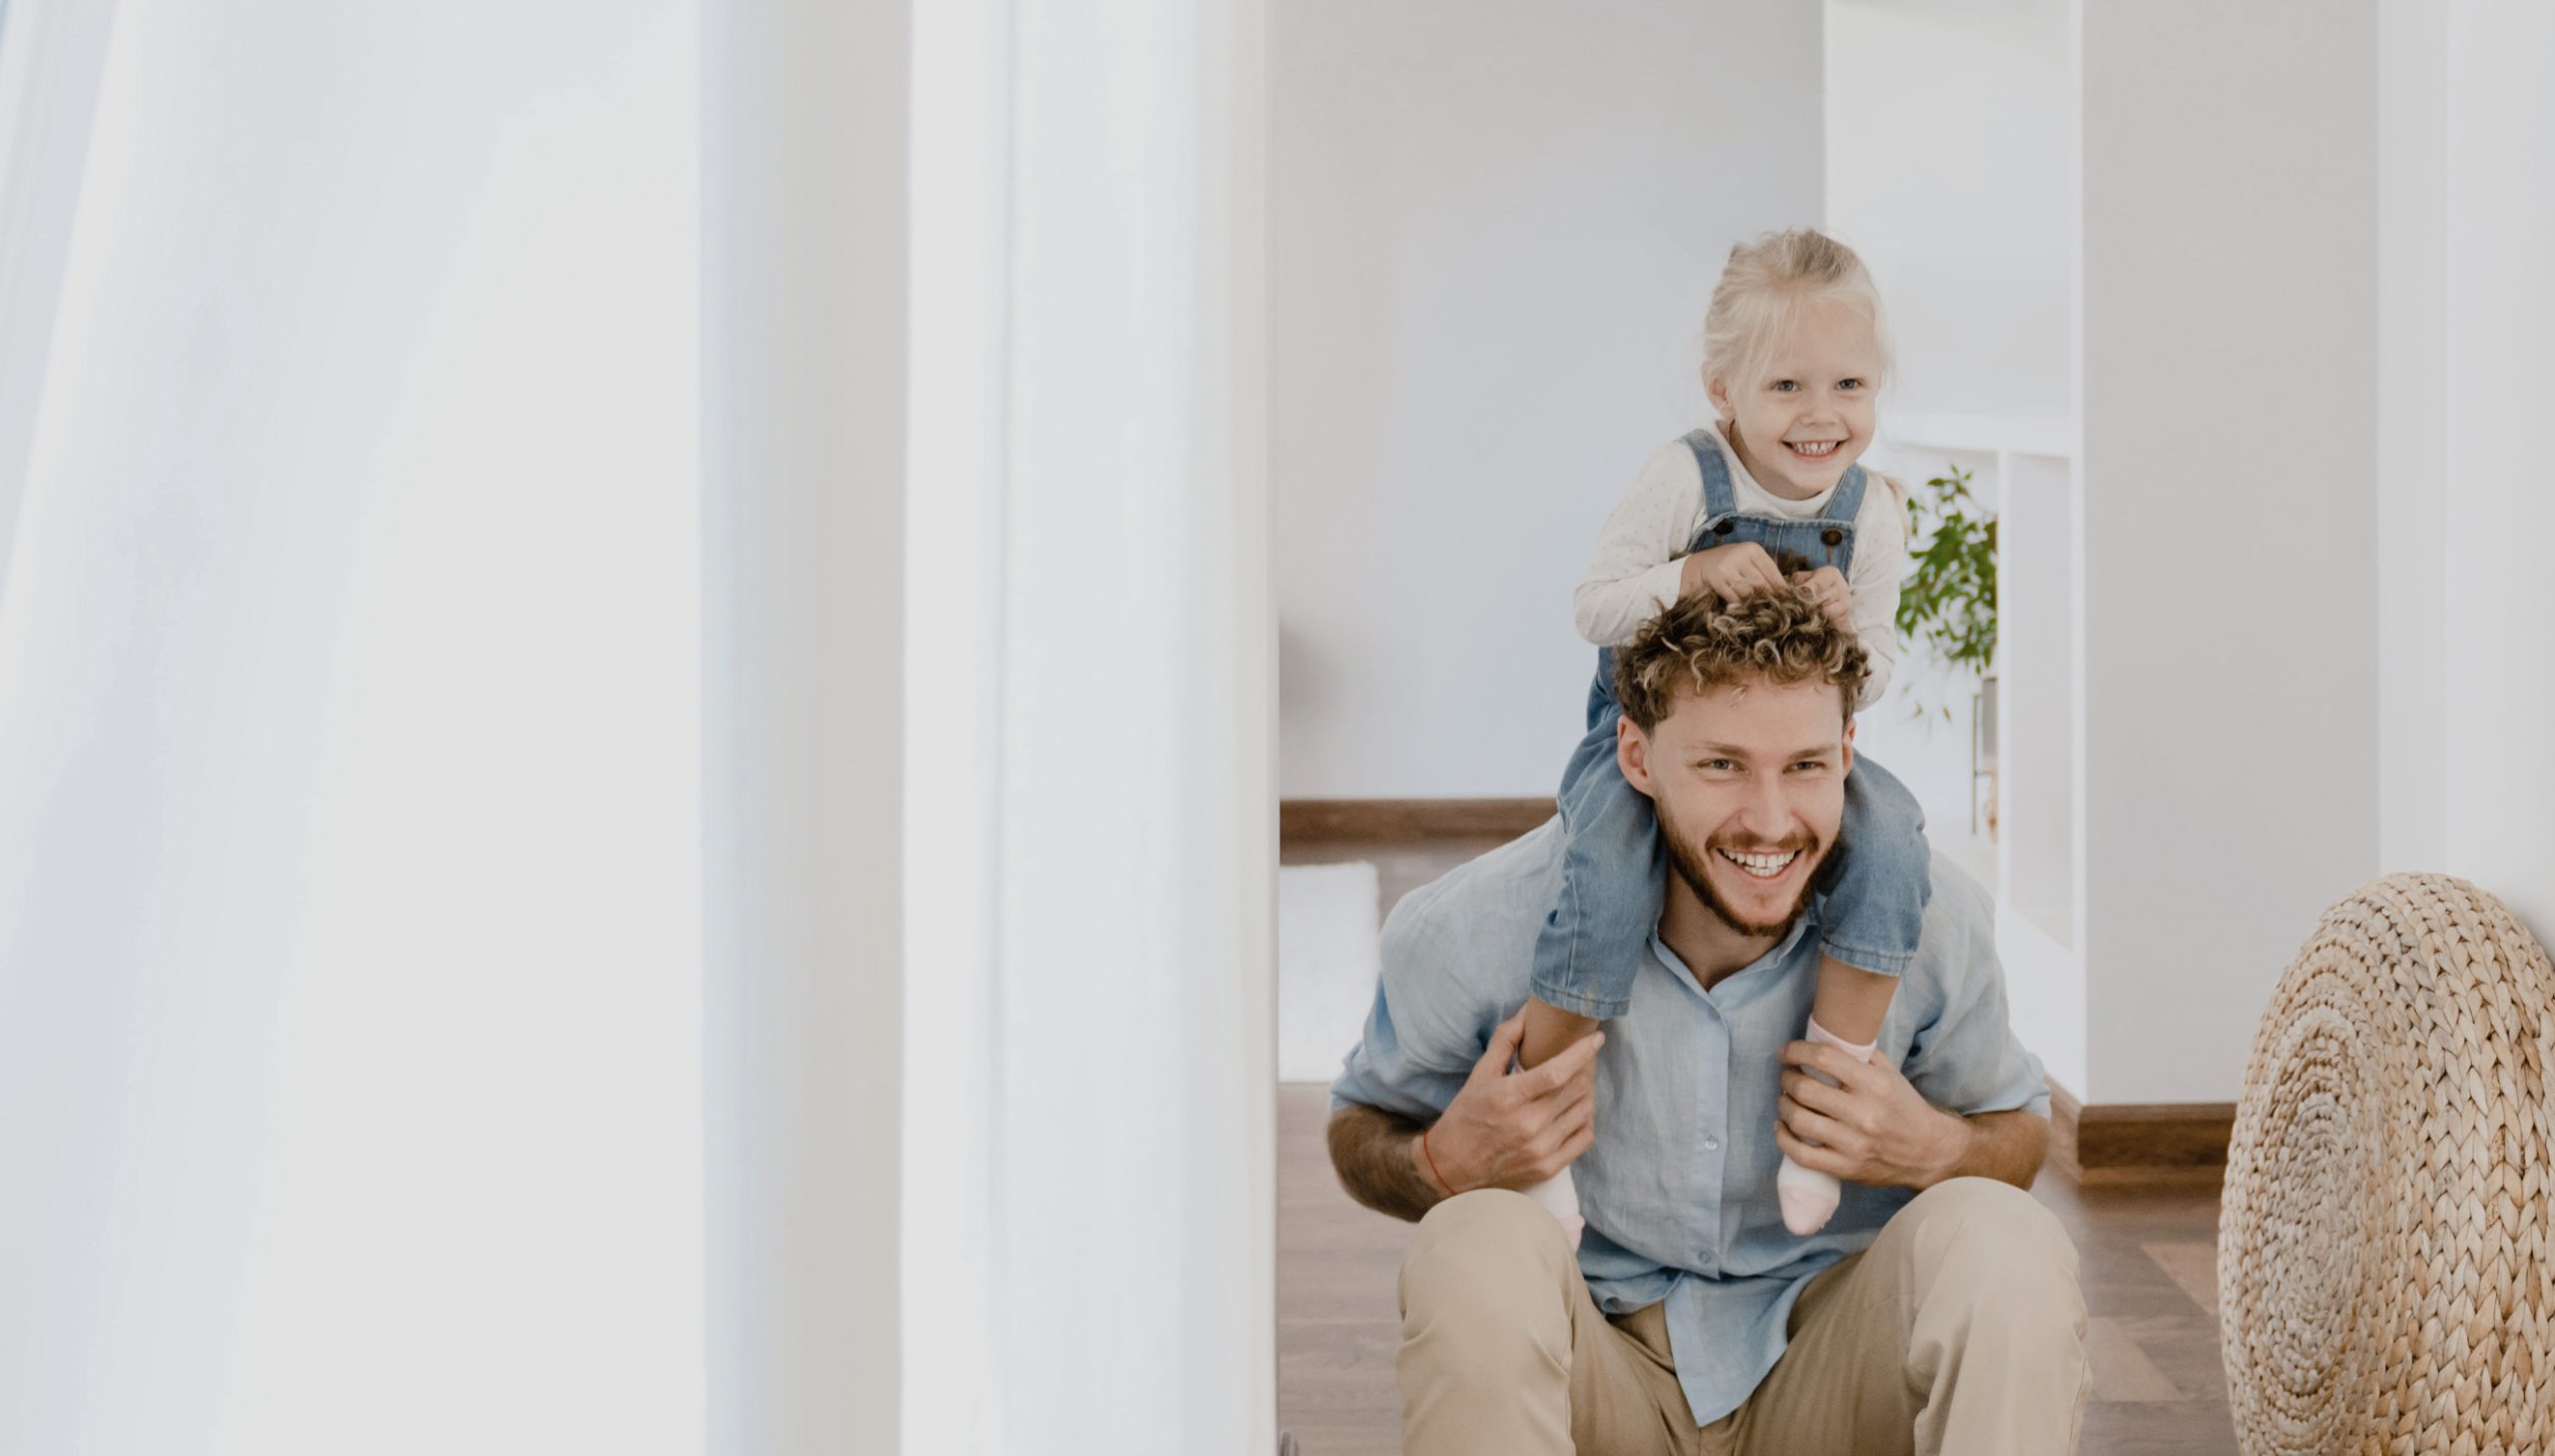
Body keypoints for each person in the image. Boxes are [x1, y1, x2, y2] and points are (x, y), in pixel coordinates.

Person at [1325, 583, 2088, 1456]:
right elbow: (1359, 1130)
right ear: (1636, 756)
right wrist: (1437, 1161)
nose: (1770, 820)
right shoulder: (1475, 926)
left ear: (1847, 751)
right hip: (1597, 1369)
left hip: (1829, 1359)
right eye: (1722, 764)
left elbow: (2016, 1130)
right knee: (1469, 1240)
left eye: (1803, 764)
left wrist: (1936, 1150)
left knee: (2009, 1241)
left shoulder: (1933, 919)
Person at [1517, 229, 1929, 1241]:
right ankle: (1544, 1119)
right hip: (1648, 745)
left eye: (1849, 385)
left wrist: (1842, 637)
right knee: (1608, 869)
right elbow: (1593, 605)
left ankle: (1827, 1094)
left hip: (1793, 750)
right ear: (1721, 389)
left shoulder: (1870, 514)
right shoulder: (1683, 479)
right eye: (1786, 386)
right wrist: (1689, 577)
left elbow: (1873, 670)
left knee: (1894, 838)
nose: (1822, 415)